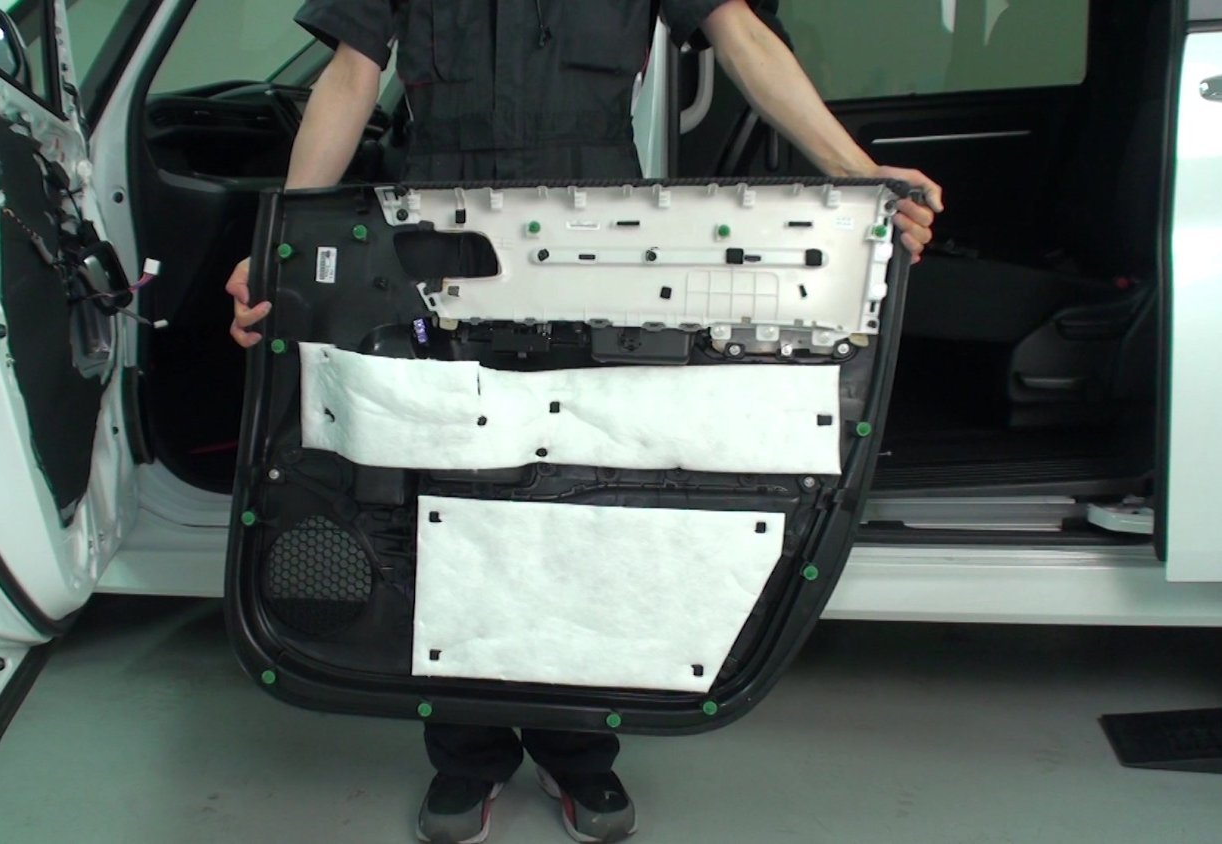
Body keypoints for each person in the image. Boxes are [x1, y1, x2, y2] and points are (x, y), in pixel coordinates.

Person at [225, 2, 944, 842]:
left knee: (584, 497)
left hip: (600, 241)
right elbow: (351, 75)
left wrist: (858, 175)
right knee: (442, 490)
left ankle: (579, 751)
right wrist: (284, 240)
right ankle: (465, 753)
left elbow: (741, 34)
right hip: (438, 239)